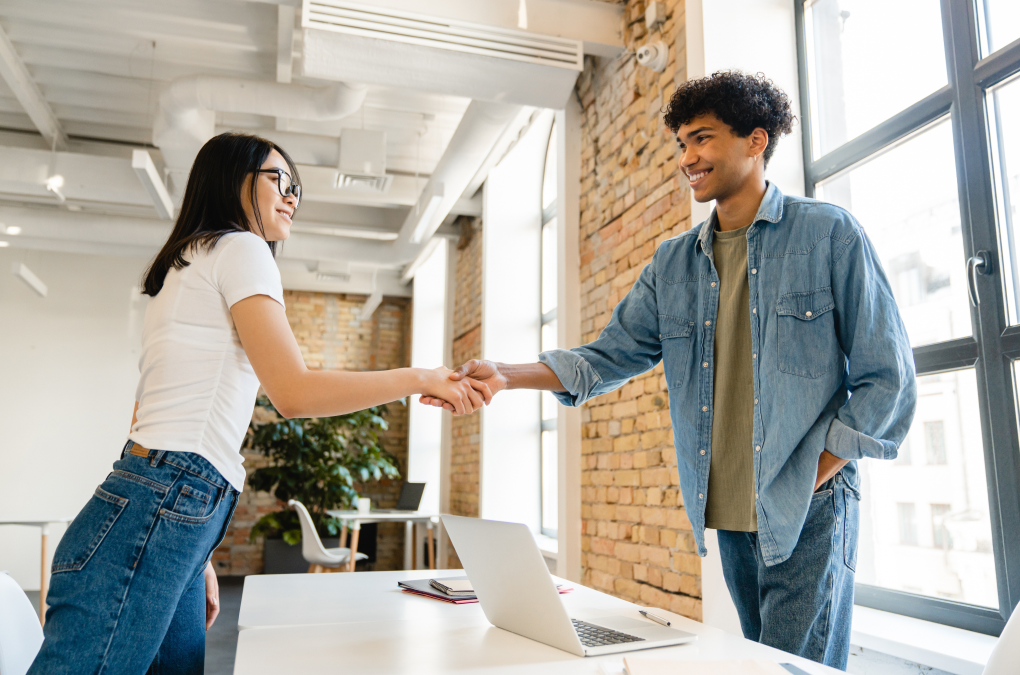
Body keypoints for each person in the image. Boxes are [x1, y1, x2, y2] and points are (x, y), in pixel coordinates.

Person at [422, 71, 916, 669]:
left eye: (702, 139)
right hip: (728, 514)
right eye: (681, 144)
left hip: (808, 508)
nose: (688, 158)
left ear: (756, 141)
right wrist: (506, 372)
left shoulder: (829, 234)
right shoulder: (673, 263)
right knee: (762, 665)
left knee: (793, 670)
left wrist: (819, 468)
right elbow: (606, 357)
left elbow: (887, 375)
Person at [30, 132, 490, 675]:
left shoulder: (187, 263)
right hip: (167, 500)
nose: (292, 195)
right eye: (279, 179)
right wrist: (422, 377)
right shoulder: (240, 247)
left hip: (164, 503)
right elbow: (292, 392)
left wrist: (191, 548)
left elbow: (145, 416)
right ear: (232, 179)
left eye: (297, 185)